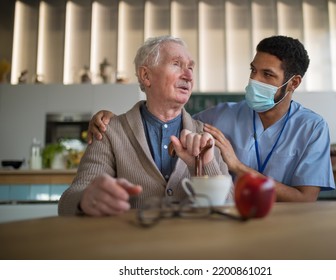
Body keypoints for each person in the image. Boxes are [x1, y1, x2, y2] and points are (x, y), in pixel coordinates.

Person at [87, 35, 336, 202]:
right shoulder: (219, 117)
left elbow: (305, 199)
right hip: (232, 224)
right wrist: (112, 120)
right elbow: (165, 120)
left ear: (293, 83)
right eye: (253, 70)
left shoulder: (312, 127)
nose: (254, 80)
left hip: (287, 228)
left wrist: (238, 167)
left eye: (267, 75)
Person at [58, 35, 230, 216]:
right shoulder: (110, 132)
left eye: (190, 67)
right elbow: (67, 202)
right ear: (146, 76)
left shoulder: (205, 135)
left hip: (191, 243)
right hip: (131, 242)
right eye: (176, 64)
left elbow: (230, 205)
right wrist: (86, 199)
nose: (188, 76)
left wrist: (207, 164)